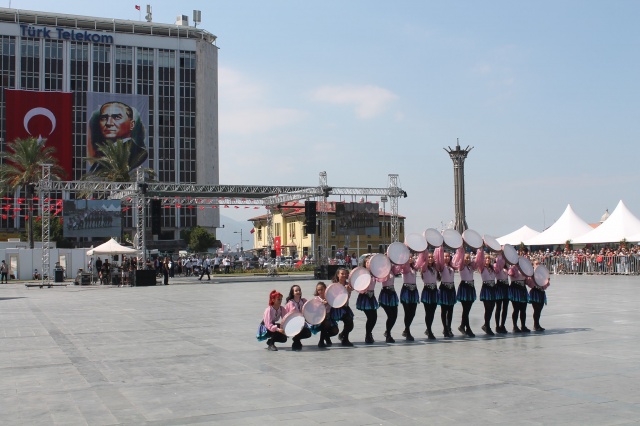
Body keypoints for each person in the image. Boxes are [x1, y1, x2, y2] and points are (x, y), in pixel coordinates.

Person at [87, 101, 148, 173]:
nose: (109, 123)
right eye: (104, 118)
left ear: (131, 124)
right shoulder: (103, 153)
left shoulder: (139, 153)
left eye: (116, 117)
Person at [434, 245, 462, 338]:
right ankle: (445, 328)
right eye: (445, 256)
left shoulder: (452, 266)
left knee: (450, 310)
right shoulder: (441, 267)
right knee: (444, 310)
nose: (446, 258)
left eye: (448, 256)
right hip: (444, 289)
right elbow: (437, 259)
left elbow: (459, 258)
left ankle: (449, 327)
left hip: (451, 288)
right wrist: (440, 247)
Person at [456, 248, 483, 338]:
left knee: (467, 309)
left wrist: (480, 250)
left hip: (471, 287)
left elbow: (478, 261)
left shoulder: (471, 267)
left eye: (468, 258)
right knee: (466, 309)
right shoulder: (461, 266)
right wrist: (461, 249)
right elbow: (459, 258)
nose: (467, 259)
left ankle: (462, 326)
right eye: (465, 258)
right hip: (464, 287)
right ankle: (467, 328)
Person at [415, 250, 438, 340]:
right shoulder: (424, 268)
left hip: (435, 290)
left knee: (432, 312)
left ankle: (428, 329)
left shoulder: (435, 268)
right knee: (428, 312)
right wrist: (424, 248)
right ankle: (429, 330)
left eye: (432, 257)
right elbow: (423, 263)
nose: (430, 259)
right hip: (427, 291)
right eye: (428, 257)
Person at [396, 256, 419, 341]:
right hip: (406, 290)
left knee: (413, 313)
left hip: (414, 290)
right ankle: (408, 331)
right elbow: (401, 268)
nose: (410, 259)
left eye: (411, 257)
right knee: (407, 312)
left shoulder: (415, 267)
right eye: (408, 257)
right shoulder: (404, 268)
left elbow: (421, 261)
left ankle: (406, 329)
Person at [330, 267, 355, 346]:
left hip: (345, 307)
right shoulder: (333, 286)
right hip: (336, 308)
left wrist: (348, 291)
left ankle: (343, 335)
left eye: (345, 274)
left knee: (350, 324)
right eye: (342, 274)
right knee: (347, 321)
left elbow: (347, 297)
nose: (344, 275)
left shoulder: (348, 285)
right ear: (338, 275)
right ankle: (344, 339)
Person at [284, 285, 312, 351]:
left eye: (299, 290)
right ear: (292, 293)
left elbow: (310, 306)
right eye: (296, 291)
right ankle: (296, 341)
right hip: (293, 323)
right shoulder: (291, 303)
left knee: (308, 333)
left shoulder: (303, 300)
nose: (298, 292)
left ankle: (296, 339)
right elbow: (293, 314)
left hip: (302, 322)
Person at [478, 252, 499, 335]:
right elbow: (478, 260)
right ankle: (487, 325)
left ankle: (486, 324)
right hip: (486, 288)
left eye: (488, 258)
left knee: (492, 308)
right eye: (486, 258)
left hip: (493, 288)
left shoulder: (492, 268)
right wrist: (481, 250)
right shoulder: (482, 268)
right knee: (487, 308)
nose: (487, 260)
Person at [508, 258, 531, 333]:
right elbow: (510, 273)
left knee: (523, 309)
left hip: (523, 289)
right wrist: (515, 267)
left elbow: (527, 280)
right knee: (516, 309)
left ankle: (523, 326)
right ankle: (515, 326)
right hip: (515, 289)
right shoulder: (512, 268)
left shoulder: (524, 269)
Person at [314, 282, 339, 348]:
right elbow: (314, 309)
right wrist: (322, 304)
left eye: (322, 289)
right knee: (326, 323)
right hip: (320, 318)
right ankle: (321, 341)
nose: (320, 291)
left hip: (329, 316)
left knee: (335, 331)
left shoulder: (329, 297)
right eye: (318, 290)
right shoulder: (316, 299)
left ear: (325, 289)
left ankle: (326, 337)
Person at [527, 260, 550, 331]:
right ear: (533, 265)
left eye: (539, 263)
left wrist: (547, 281)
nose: (538, 265)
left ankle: (537, 324)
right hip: (535, 292)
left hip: (541, 292)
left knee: (539, 309)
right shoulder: (531, 273)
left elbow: (546, 284)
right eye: (536, 263)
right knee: (536, 309)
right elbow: (528, 282)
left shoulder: (543, 273)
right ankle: (536, 324)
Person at [355, 273, 378, 344]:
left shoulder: (374, 273)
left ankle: (369, 333)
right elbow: (357, 286)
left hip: (371, 296)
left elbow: (381, 278)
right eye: (367, 262)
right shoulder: (362, 274)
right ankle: (368, 335)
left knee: (374, 317)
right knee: (370, 317)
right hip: (364, 297)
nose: (369, 263)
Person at [379, 269, 399, 343]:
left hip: (393, 293)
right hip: (385, 293)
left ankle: (387, 331)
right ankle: (388, 335)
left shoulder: (393, 270)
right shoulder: (381, 271)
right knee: (390, 315)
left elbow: (399, 267)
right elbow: (379, 279)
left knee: (395, 315)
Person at [494, 253, 510, 334]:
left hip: (506, 286)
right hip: (499, 286)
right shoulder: (497, 267)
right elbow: (496, 269)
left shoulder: (507, 267)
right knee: (498, 307)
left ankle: (502, 325)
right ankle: (497, 326)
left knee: (505, 308)